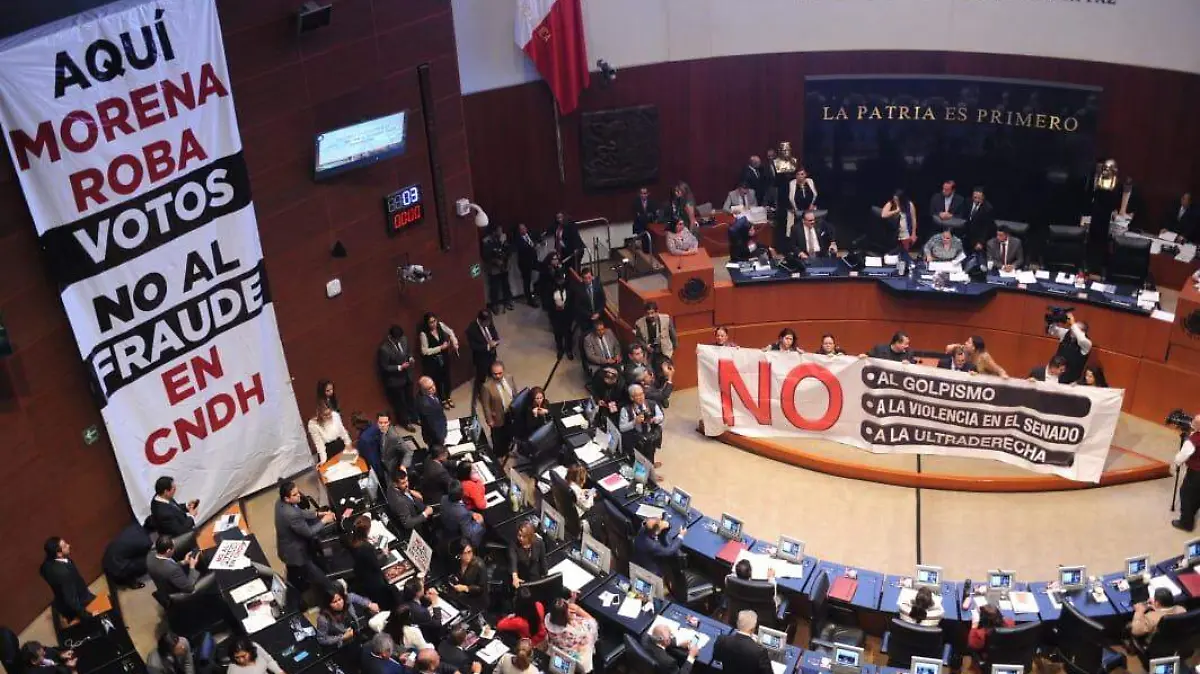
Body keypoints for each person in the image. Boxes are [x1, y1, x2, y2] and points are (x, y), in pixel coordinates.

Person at [274, 480, 336, 596]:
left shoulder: (280, 502)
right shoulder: (290, 514)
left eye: (298, 492)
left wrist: (317, 514)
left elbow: (299, 512)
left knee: (294, 572)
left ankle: (295, 585)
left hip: (286, 547)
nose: (299, 496)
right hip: (295, 552)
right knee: (313, 570)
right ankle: (333, 591)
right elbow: (308, 532)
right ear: (287, 498)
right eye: (295, 495)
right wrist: (324, 520)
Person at [39, 537, 96, 623]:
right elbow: (72, 600)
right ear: (58, 554)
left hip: (61, 600)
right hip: (81, 600)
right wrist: (88, 616)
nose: (69, 545)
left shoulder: (45, 566)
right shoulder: (64, 573)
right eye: (65, 546)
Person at [345, 516, 395, 607]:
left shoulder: (351, 540)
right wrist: (385, 555)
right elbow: (376, 565)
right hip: (373, 580)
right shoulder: (366, 548)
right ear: (366, 530)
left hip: (361, 574)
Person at [378, 325, 418, 433]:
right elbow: (384, 367)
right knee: (400, 403)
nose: (399, 340)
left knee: (410, 399)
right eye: (396, 339)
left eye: (400, 338)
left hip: (407, 376)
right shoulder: (384, 349)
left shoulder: (404, 339)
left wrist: (410, 358)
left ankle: (415, 417)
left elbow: (408, 351)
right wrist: (400, 367)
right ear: (390, 337)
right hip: (395, 380)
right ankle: (406, 422)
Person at [544, 598, 599, 673]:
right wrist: (577, 609)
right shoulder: (575, 631)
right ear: (566, 613)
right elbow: (592, 622)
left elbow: (560, 613)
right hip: (576, 656)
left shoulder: (549, 623)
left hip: (558, 649)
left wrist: (571, 600)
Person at [418, 312, 459, 409]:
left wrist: (454, 341)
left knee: (447, 378)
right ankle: (442, 399)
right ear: (427, 324)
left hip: (444, 357)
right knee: (438, 380)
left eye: (434, 321)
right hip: (434, 361)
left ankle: (448, 397)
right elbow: (425, 351)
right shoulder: (423, 334)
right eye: (431, 322)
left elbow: (451, 332)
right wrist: (440, 348)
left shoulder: (441, 325)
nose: (433, 324)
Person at [620, 384, 666, 463]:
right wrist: (634, 422)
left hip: (650, 435)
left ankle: (651, 468)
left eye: (642, 394)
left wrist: (654, 419)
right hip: (636, 438)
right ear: (632, 397)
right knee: (639, 459)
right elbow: (622, 428)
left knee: (651, 453)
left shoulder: (652, 404)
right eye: (637, 395)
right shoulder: (625, 410)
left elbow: (661, 416)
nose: (641, 397)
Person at [480, 360, 516, 458]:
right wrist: (489, 420)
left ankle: (507, 450)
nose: (498, 376)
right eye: (495, 374)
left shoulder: (509, 378)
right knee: (498, 438)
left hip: (510, 413)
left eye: (500, 373)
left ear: (503, 371)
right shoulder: (486, 386)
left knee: (509, 434)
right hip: (497, 416)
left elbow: (514, 393)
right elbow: (485, 405)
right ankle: (498, 455)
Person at [1171, 413, 1200, 532]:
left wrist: (1175, 464)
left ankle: (1186, 523)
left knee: (1186, 494)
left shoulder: (1193, 440)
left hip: (1196, 473)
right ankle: (1193, 510)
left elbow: (1181, 457)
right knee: (1198, 494)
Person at [465, 309, 501, 406]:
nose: (489, 324)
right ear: (481, 320)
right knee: (481, 377)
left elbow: (494, 333)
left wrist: (496, 341)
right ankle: (482, 394)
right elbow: (474, 346)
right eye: (486, 322)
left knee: (492, 373)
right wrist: (488, 346)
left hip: (492, 355)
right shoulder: (471, 330)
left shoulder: (489, 322)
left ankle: (493, 391)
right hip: (481, 358)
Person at [149, 476, 199, 543]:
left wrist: (187, 506)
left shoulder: (160, 496)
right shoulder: (163, 514)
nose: (175, 490)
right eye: (173, 489)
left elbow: (174, 508)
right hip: (179, 539)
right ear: (166, 491)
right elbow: (180, 531)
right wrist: (192, 516)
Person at [385, 468, 433, 536]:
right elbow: (408, 523)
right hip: (416, 524)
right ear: (395, 484)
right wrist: (425, 514)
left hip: (414, 505)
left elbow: (406, 490)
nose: (406, 484)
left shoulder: (391, 487)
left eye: (407, 480)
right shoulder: (400, 502)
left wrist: (410, 491)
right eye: (403, 483)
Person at [1048, 312, 1092, 384]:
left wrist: (1073, 323)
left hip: (1071, 381)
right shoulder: (1066, 333)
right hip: (1055, 376)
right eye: (1071, 329)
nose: (1071, 331)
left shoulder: (1087, 343)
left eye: (1074, 330)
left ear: (1083, 332)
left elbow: (1081, 339)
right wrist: (1054, 320)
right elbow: (1051, 331)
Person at [442, 481, 486, 550]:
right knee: (483, 527)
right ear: (461, 495)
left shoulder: (443, 498)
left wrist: (471, 513)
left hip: (448, 523)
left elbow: (458, 509)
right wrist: (479, 523)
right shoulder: (462, 514)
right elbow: (467, 533)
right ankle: (479, 548)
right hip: (456, 532)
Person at [449, 541, 489, 612]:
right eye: (464, 553)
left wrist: (465, 588)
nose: (467, 555)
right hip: (463, 597)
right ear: (460, 554)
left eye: (469, 552)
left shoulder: (479, 565)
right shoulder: (457, 561)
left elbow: (481, 588)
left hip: (476, 599)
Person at [482, 225, 514, 313]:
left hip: (504, 266)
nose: (501, 233)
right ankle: (494, 305)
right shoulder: (487, 241)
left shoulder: (503, 238)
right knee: (494, 288)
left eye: (501, 231)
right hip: (494, 268)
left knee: (506, 285)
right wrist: (495, 261)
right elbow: (485, 256)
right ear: (493, 232)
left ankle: (508, 301)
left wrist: (507, 260)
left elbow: (509, 250)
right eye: (499, 231)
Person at [635, 301, 677, 366]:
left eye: (652, 313)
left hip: (664, 351)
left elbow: (673, 334)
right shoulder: (639, 323)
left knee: (666, 371)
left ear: (657, 312)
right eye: (647, 313)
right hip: (649, 352)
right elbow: (638, 338)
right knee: (651, 372)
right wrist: (646, 346)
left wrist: (673, 347)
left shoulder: (666, 319)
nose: (650, 315)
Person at [508, 521, 547, 587]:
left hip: (533, 574)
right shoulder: (513, 544)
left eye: (524, 537)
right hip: (520, 573)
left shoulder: (539, 542)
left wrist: (545, 576)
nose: (520, 538)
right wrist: (515, 577)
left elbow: (543, 560)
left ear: (530, 537)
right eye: (519, 535)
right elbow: (513, 561)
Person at [547, 270, 574, 359]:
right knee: (558, 334)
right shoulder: (551, 289)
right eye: (559, 280)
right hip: (556, 315)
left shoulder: (569, 288)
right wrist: (555, 307)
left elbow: (572, 301)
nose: (561, 281)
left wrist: (566, 306)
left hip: (567, 315)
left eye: (562, 279)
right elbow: (548, 303)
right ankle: (560, 349)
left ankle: (569, 349)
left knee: (568, 333)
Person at [415, 377, 448, 448]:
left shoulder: (427, 394)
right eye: (430, 388)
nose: (433, 388)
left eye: (433, 385)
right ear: (423, 390)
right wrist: (441, 439)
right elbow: (432, 425)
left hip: (438, 427)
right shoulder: (426, 405)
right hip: (435, 437)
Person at [572, 268, 607, 334]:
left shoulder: (598, 285)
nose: (588, 280)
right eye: (585, 278)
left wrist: (598, 313)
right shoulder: (578, 289)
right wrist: (590, 315)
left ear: (592, 277)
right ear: (582, 279)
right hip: (586, 320)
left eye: (589, 277)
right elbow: (578, 306)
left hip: (599, 317)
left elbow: (603, 300)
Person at [514, 223, 540, 307]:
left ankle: (538, 293)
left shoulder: (531, 234)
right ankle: (530, 300)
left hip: (534, 260)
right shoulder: (518, 240)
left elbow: (538, 238)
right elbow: (524, 249)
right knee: (527, 282)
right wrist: (533, 247)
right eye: (521, 229)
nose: (524, 230)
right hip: (525, 263)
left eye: (524, 228)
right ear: (519, 231)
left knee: (541, 273)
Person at [565, 463, 598, 530]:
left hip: (569, 509)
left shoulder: (566, 484)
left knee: (592, 491)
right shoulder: (575, 491)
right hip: (578, 515)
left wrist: (587, 492)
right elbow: (587, 507)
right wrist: (591, 494)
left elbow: (580, 494)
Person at [963, 187, 996, 252]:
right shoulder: (967, 201)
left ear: (983, 197)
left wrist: (981, 242)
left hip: (978, 238)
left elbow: (986, 228)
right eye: (975, 197)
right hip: (966, 235)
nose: (976, 200)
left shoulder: (988, 208)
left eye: (979, 198)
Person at [633, 187, 657, 253]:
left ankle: (651, 250)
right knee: (644, 234)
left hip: (650, 223)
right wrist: (646, 216)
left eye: (645, 193)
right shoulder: (636, 202)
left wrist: (645, 216)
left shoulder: (652, 202)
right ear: (639, 194)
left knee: (651, 231)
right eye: (642, 193)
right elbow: (638, 216)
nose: (643, 195)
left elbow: (653, 214)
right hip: (639, 224)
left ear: (648, 194)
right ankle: (645, 250)